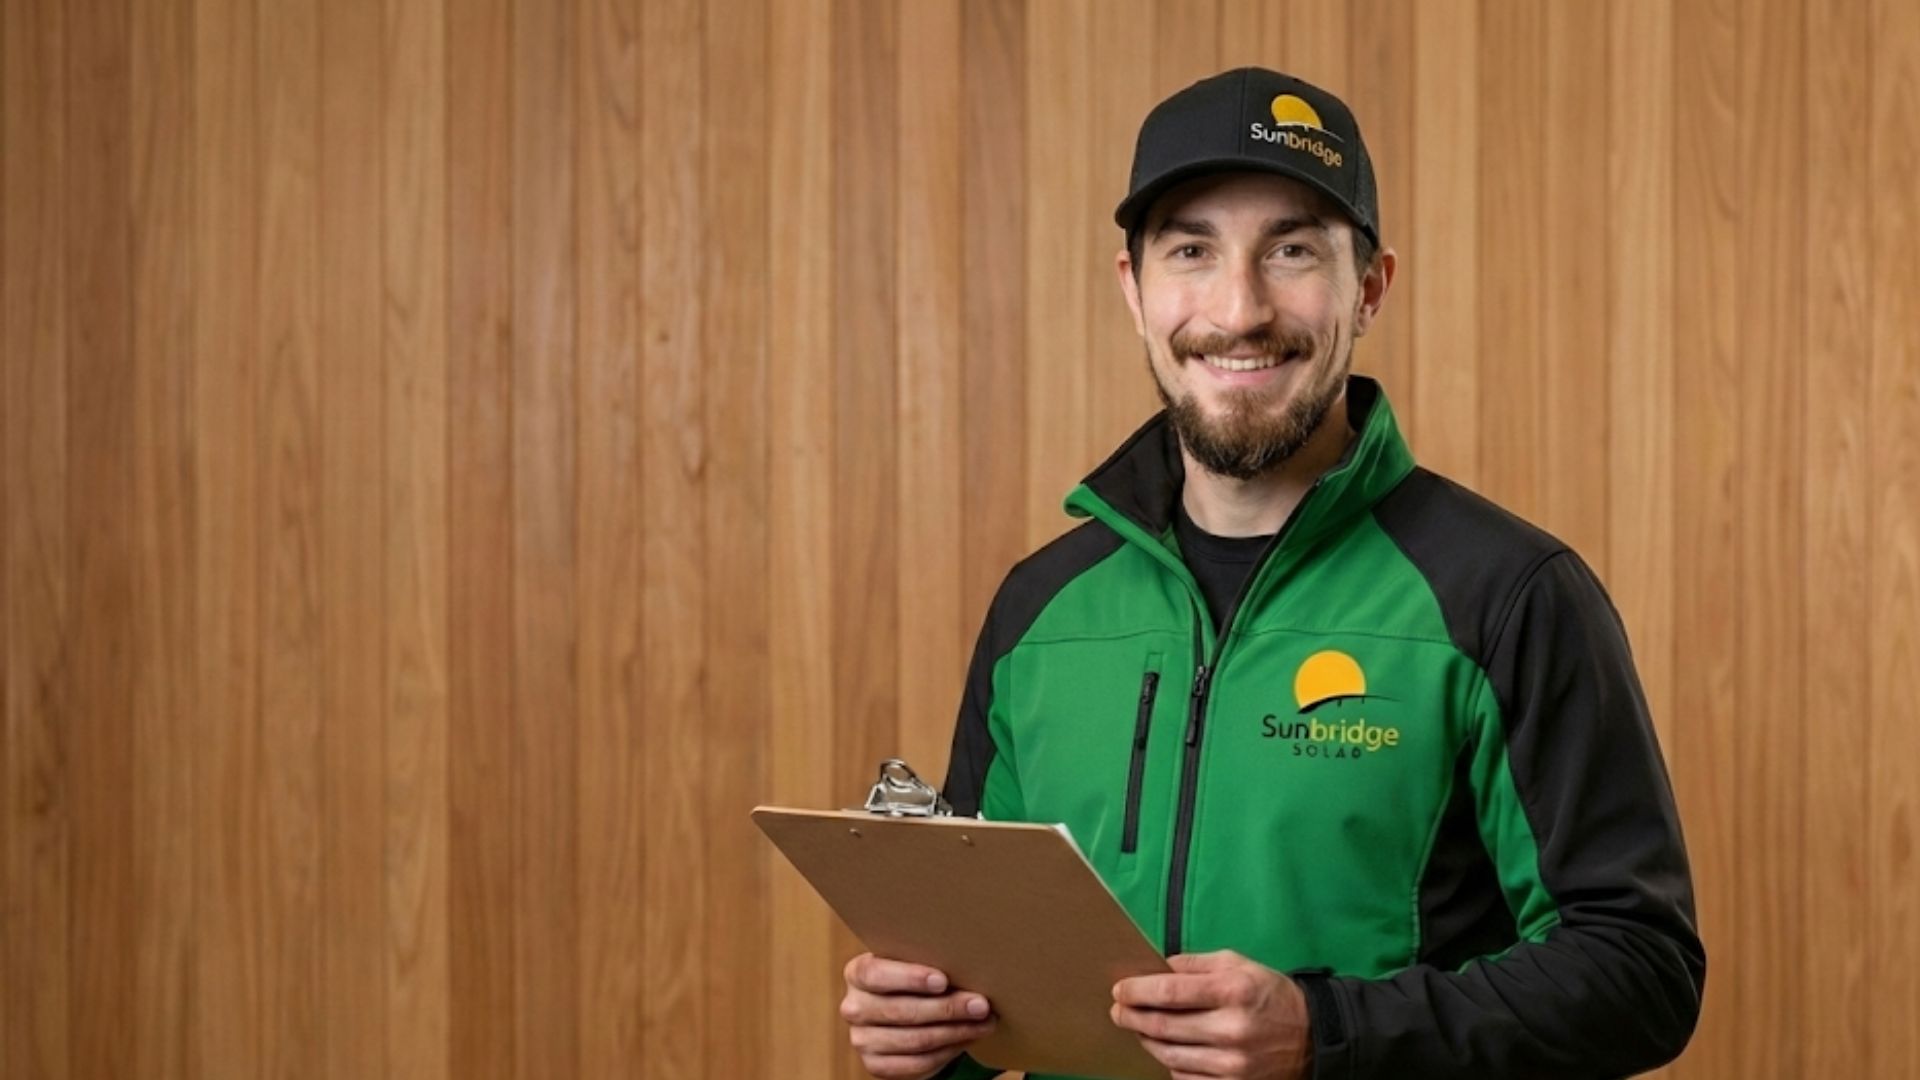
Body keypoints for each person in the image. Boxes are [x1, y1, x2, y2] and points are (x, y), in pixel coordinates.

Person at [839, 66, 1704, 1080]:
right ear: (1134, 289)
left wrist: (1326, 1031)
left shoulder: (1505, 596)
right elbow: (996, 973)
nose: (1239, 308)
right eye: (1191, 251)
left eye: (1291, 250)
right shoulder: (1042, 610)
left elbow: (1642, 972)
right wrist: (932, 1036)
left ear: (1370, 287)